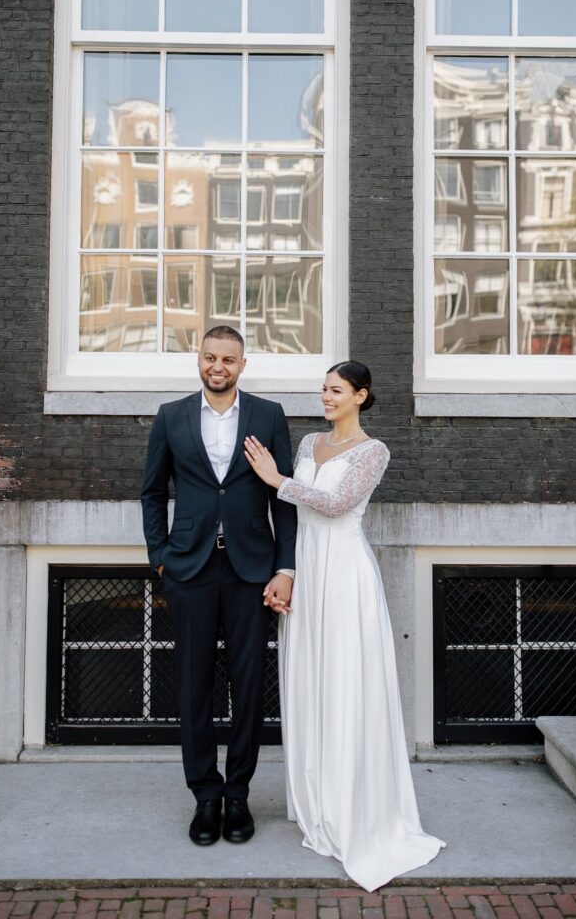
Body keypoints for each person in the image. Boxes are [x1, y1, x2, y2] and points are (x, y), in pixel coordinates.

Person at [244, 360, 446, 890]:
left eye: (335, 390)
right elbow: (296, 512)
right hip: (306, 567)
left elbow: (336, 505)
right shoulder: (309, 442)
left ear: (361, 395)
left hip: (345, 571)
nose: (326, 397)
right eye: (323, 389)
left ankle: (355, 806)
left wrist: (278, 480)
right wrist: (283, 567)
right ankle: (318, 800)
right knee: (310, 679)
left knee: (345, 681)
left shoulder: (374, 452)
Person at [141, 325, 297, 847]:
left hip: (252, 571)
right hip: (190, 570)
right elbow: (150, 492)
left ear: (243, 364)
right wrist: (160, 556)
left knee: (249, 688)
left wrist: (286, 567)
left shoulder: (269, 416)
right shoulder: (171, 417)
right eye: (210, 357)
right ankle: (205, 797)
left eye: (228, 359)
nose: (218, 367)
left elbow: (284, 498)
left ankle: (238, 795)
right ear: (199, 359)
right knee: (194, 686)